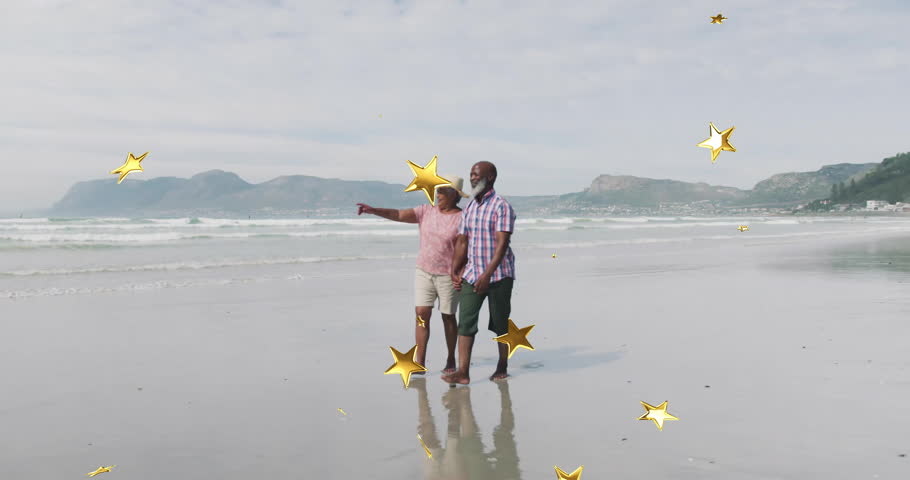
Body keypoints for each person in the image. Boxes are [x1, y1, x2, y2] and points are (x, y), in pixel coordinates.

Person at [356, 175, 470, 374]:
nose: (438, 194)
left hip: (448, 276)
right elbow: (398, 214)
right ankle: (420, 363)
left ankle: (451, 358)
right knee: (421, 314)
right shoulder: (426, 211)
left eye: (442, 190)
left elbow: (466, 248)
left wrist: (461, 272)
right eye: (437, 190)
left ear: (454, 195)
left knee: (448, 317)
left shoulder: (463, 218)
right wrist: (374, 210)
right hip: (424, 271)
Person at [443, 161, 516, 385]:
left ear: (490, 177)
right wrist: (455, 269)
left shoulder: (501, 206)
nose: (473, 178)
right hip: (473, 275)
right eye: (471, 174)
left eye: (476, 175)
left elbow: (502, 245)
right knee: (466, 323)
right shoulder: (471, 207)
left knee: (500, 324)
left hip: (499, 276)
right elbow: (463, 241)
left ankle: (502, 364)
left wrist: (487, 275)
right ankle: (463, 372)